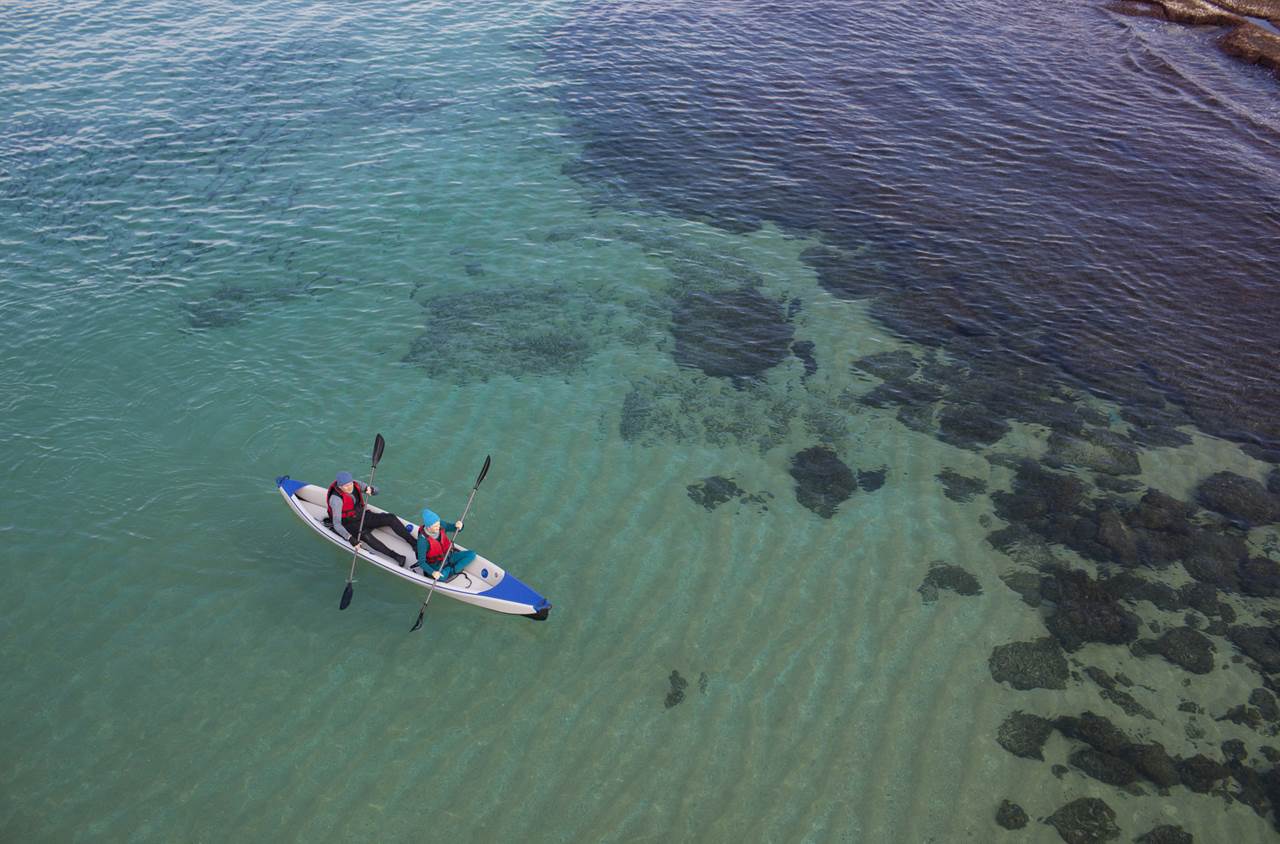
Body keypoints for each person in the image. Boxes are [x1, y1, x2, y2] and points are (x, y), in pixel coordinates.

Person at [326, 471, 417, 567]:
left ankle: (414, 543)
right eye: (345, 486)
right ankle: (396, 556)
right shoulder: (336, 500)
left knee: (391, 518)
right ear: (340, 487)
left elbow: (377, 490)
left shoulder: (356, 484)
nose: (349, 487)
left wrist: (372, 490)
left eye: (350, 484)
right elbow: (337, 524)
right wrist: (349, 538)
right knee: (367, 536)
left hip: (362, 515)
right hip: (349, 524)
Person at [413, 508, 477, 582]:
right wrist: (433, 573)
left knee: (472, 554)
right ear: (428, 527)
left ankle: (450, 570)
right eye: (435, 526)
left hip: (449, 555)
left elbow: (454, 528)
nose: (438, 527)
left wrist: (460, 526)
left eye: (438, 524)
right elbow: (421, 562)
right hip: (436, 564)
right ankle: (452, 569)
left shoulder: (440, 524)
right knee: (442, 577)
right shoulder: (422, 541)